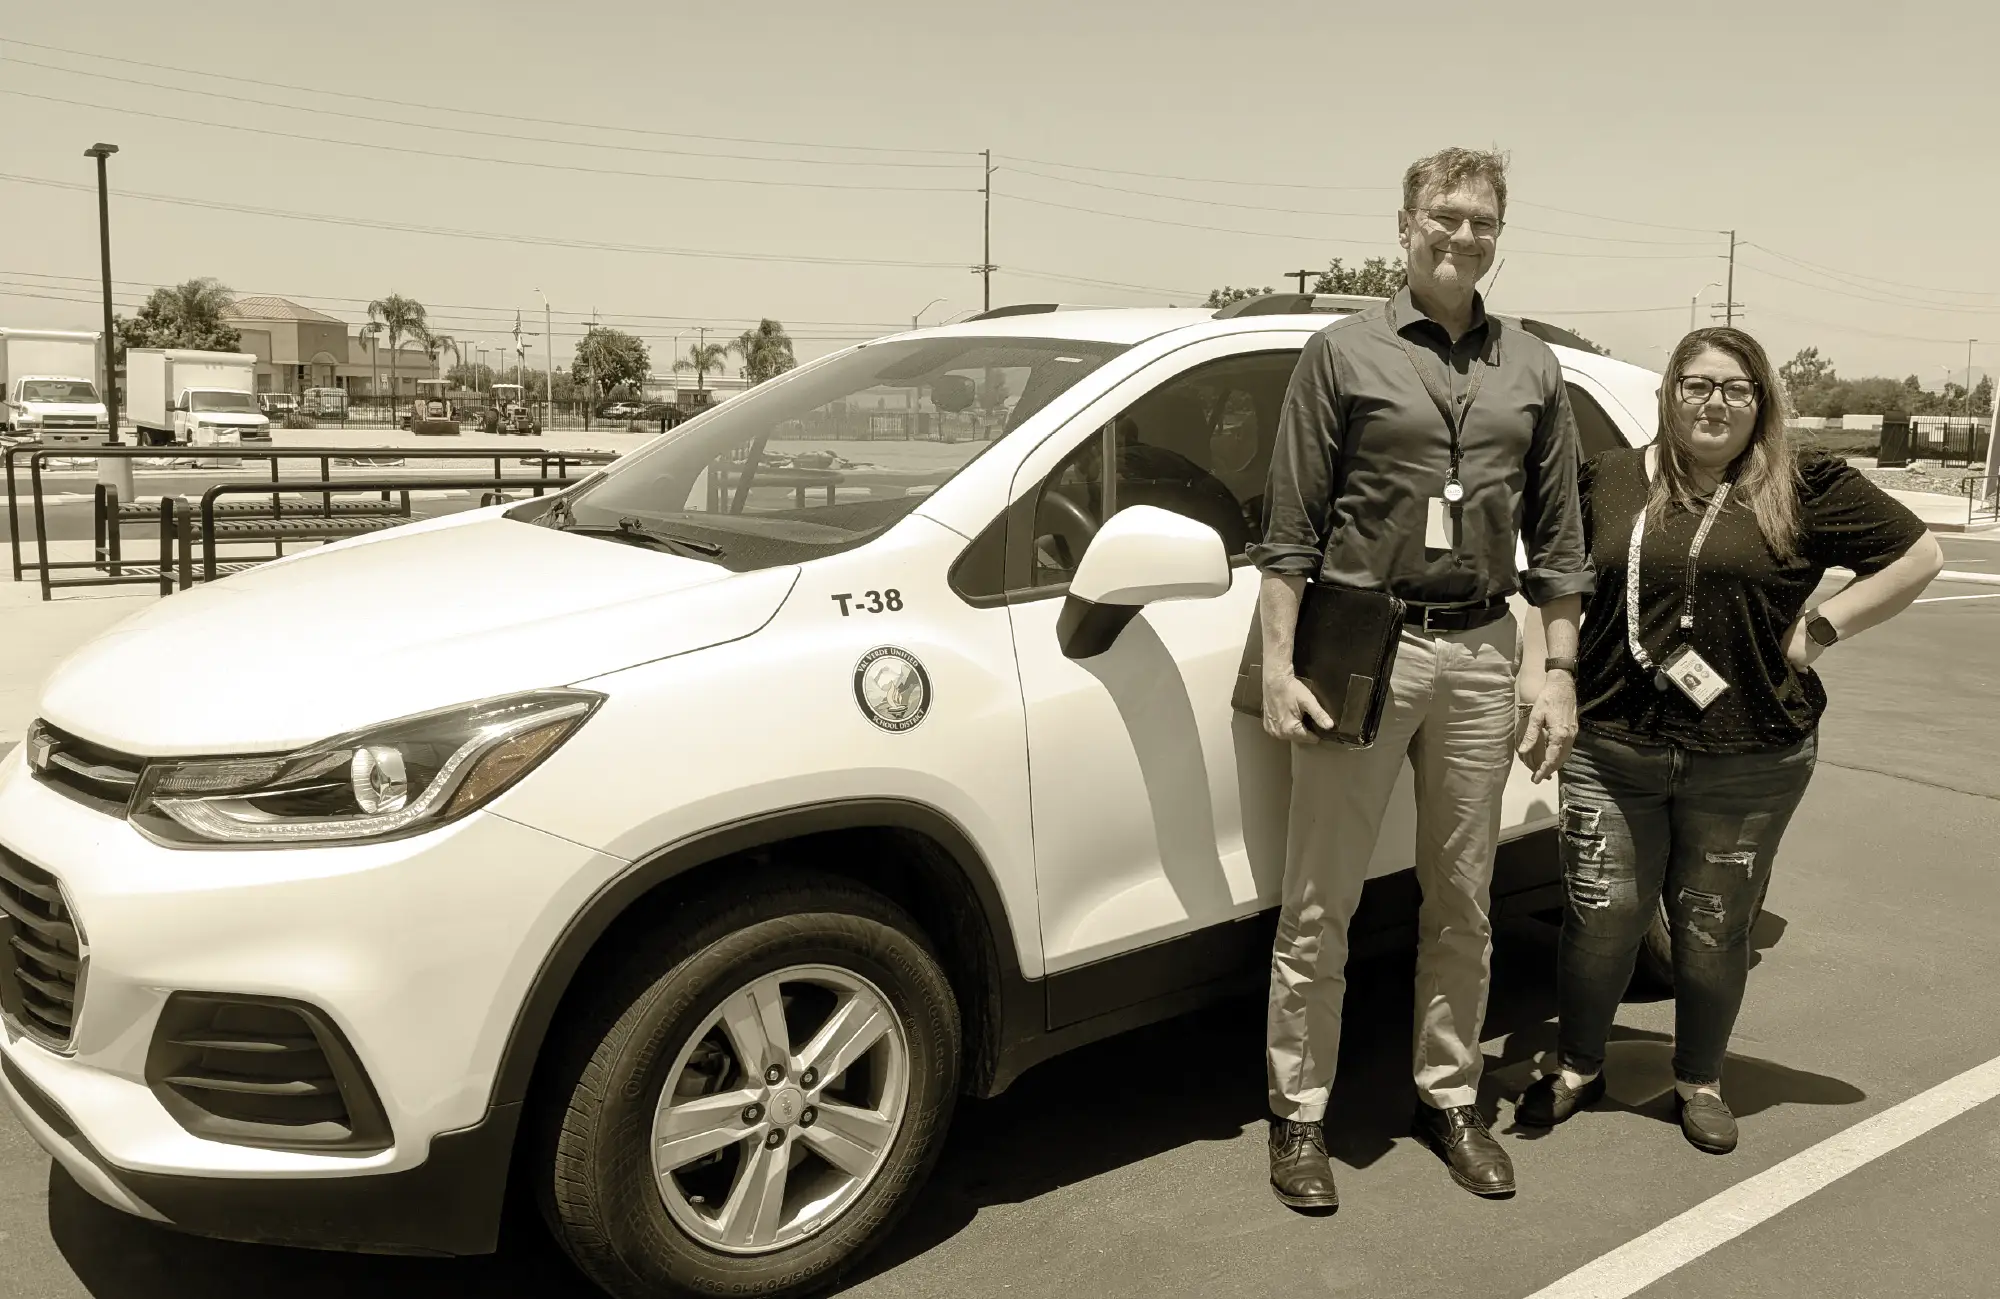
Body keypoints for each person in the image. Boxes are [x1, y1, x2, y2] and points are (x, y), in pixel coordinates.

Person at [1251, 146, 1594, 1209]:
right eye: (1442, 216)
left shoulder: (1532, 367)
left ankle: (1446, 1097)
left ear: (1499, 234)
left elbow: (1560, 543)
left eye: (1481, 221)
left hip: (1485, 651)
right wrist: (1274, 663)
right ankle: (1296, 1115)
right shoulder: (1340, 354)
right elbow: (1289, 531)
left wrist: (1555, 674)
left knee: (1463, 898)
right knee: (1320, 903)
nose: (1460, 235)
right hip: (1362, 645)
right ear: (1403, 223)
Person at [1514, 327, 1944, 1153]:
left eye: (1736, 389)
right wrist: (1541, 674)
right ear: (1669, 392)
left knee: (1713, 925)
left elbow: (1917, 555)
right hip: (1613, 746)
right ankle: (1577, 1063)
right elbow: (1553, 579)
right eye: (1698, 385)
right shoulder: (1604, 479)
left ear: (1761, 401)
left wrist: (1821, 627)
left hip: (1751, 756)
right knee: (1604, 915)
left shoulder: (1803, 485)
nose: (1715, 403)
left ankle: (1700, 1077)